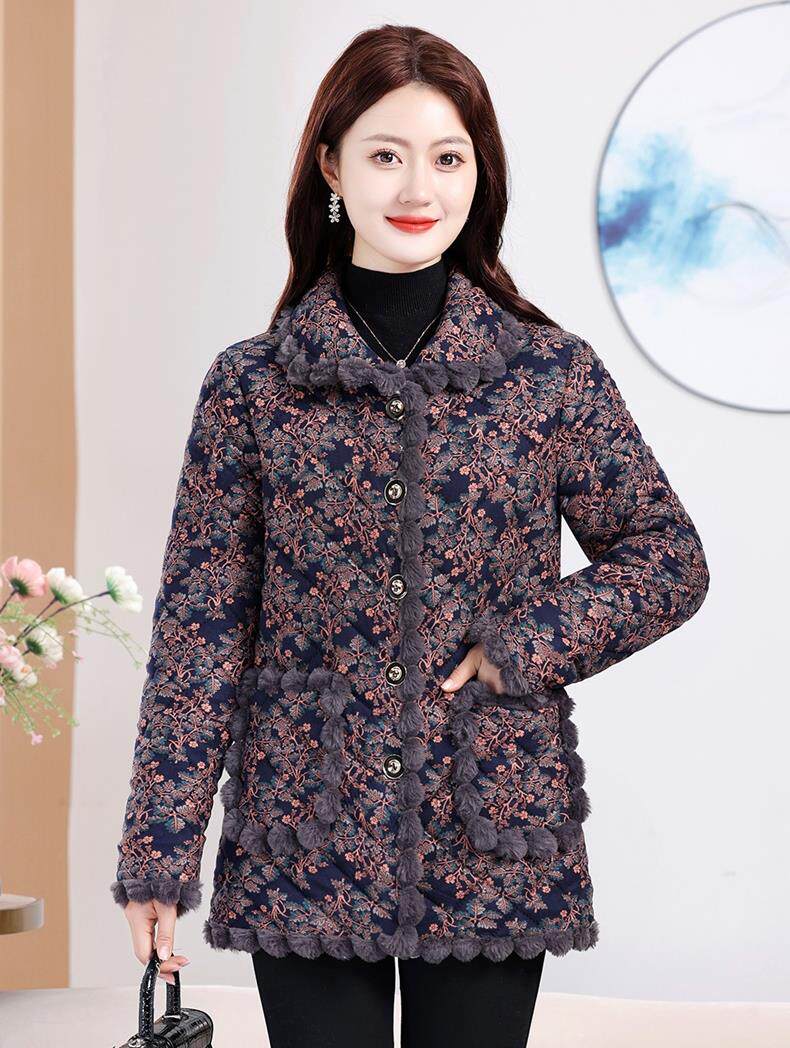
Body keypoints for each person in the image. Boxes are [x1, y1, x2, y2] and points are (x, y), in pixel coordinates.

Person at [112, 23, 710, 1048]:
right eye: (386, 154)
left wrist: (521, 645)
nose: (417, 187)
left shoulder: (547, 376)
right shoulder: (252, 386)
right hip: (305, 826)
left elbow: (666, 558)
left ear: (481, 172)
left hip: (491, 823)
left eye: (447, 157)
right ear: (330, 165)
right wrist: (158, 853)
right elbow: (201, 632)